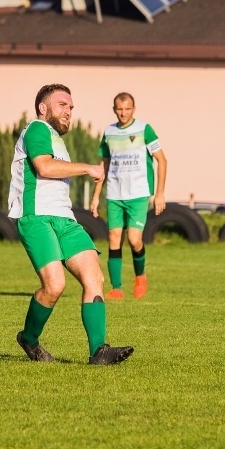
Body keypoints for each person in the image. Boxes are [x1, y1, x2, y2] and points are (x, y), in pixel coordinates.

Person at [8, 83, 133, 366]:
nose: (69, 111)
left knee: (94, 278)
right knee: (54, 286)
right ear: (43, 108)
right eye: (62, 105)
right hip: (37, 217)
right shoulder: (37, 129)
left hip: (65, 218)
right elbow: (44, 167)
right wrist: (87, 168)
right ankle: (29, 338)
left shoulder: (56, 138)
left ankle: (99, 351)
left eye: (71, 107)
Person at [90, 92, 167, 300]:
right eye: (120, 109)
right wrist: (96, 196)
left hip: (139, 193)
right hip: (114, 194)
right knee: (114, 238)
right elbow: (104, 165)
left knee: (134, 239)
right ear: (114, 109)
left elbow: (162, 160)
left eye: (127, 109)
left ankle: (140, 276)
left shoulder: (144, 129)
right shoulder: (109, 132)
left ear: (134, 109)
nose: (123, 113)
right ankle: (117, 288)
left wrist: (159, 193)